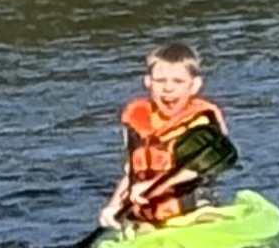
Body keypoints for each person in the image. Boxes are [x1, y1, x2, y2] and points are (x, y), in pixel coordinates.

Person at [99, 42, 232, 231]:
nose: (168, 88)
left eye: (178, 81)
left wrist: (152, 187)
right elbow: (132, 174)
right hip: (150, 217)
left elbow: (198, 167)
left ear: (194, 85)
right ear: (148, 82)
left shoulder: (201, 121)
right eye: (160, 81)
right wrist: (114, 206)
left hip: (194, 213)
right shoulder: (136, 121)